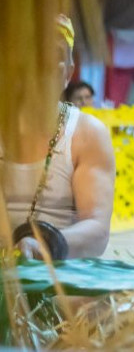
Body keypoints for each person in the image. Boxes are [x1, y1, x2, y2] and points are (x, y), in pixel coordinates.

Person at [1, 15, 115, 259]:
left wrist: (45, 244)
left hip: (60, 282)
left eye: (52, 56)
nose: (37, 66)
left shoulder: (87, 133)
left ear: (68, 72)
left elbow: (97, 229)